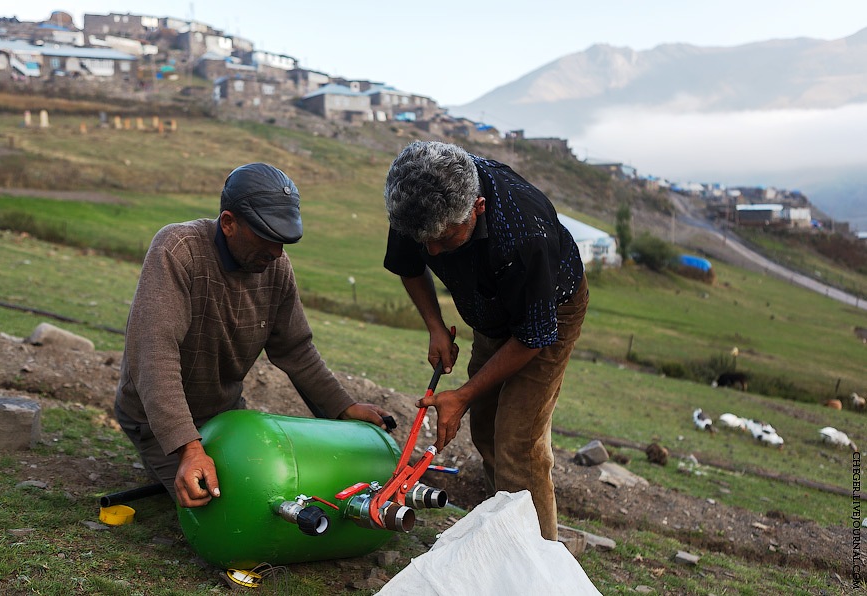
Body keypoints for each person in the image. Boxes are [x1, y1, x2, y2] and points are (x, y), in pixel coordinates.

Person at [115, 162, 390, 508]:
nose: (277, 252)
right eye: (267, 236)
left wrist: (344, 407)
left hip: (225, 415)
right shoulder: (178, 250)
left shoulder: (275, 268)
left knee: (273, 487)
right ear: (229, 223)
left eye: (283, 241)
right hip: (155, 420)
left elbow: (296, 350)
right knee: (227, 507)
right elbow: (155, 354)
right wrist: (188, 447)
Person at [383, 141, 589, 540]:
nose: (433, 251)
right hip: (489, 309)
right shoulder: (416, 200)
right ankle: (506, 530)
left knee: (517, 442)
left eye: (446, 239)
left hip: (548, 311)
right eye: (425, 241)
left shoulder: (523, 234)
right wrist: (436, 327)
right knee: (486, 426)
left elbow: (532, 335)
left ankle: (536, 558)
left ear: (477, 208)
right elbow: (409, 265)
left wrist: (461, 395)